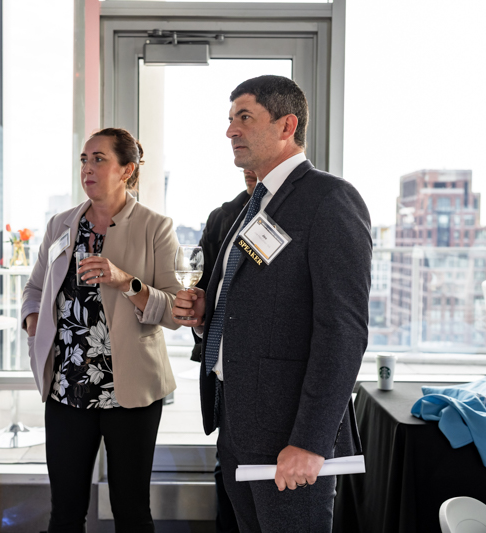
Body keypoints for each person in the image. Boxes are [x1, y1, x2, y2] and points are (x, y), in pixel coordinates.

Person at [172, 75, 372, 532]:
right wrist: (206, 315)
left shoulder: (330, 200)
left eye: (244, 118)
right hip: (237, 422)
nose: (230, 131)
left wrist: (310, 441)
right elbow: (247, 303)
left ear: (287, 126)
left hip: (290, 435)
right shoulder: (251, 205)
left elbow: (343, 330)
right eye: (229, 120)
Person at [21, 127, 182, 533]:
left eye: (99, 159)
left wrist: (124, 280)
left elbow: (174, 310)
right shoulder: (61, 224)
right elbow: (34, 289)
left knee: (130, 511)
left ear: (127, 170)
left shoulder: (156, 227)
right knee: (65, 512)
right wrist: (35, 323)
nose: (87, 168)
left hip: (130, 391)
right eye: (84, 159)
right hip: (66, 386)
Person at [191, 169, 257, 533]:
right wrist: (198, 315)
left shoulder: (311, 208)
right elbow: (202, 292)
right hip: (226, 382)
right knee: (229, 486)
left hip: (279, 390)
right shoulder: (224, 217)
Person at [191, 169, 257, 363]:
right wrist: (198, 319)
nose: (247, 169)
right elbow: (201, 285)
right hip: (218, 359)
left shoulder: (303, 210)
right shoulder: (220, 217)